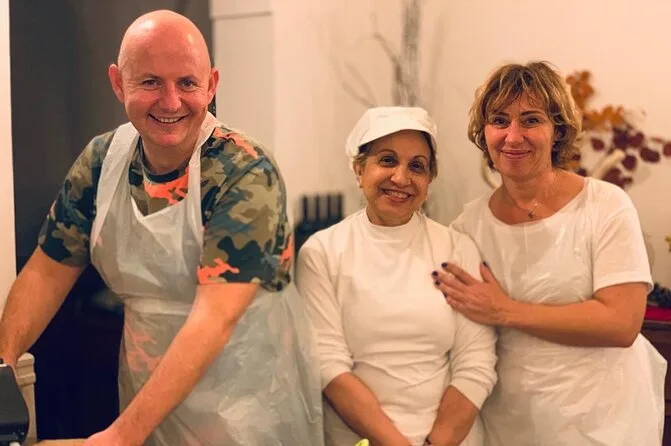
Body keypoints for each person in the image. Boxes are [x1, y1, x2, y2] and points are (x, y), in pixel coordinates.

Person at [0, 10, 323, 446]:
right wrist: (2, 367)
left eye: (187, 83)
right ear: (118, 83)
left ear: (212, 84)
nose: (170, 102)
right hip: (147, 407)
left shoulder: (244, 172)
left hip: (247, 407)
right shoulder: (100, 164)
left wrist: (119, 437)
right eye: (150, 82)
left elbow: (214, 319)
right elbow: (46, 272)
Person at [433, 61, 667, 445]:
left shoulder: (605, 205)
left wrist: (505, 310)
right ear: (483, 132)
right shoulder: (467, 228)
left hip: (604, 422)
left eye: (531, 120)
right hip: (509, 422)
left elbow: (622, 322)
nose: (513, 136)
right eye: (499, 120)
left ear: (557, 130)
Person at [296, 106, 498, 446]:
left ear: (429, 181)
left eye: (417, 166)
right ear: (359, 169)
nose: (401, 178)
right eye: (387, 160)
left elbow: (476, 361)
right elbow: (328, 367)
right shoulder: (323, 253)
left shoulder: (456, 248)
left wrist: (436, 442)